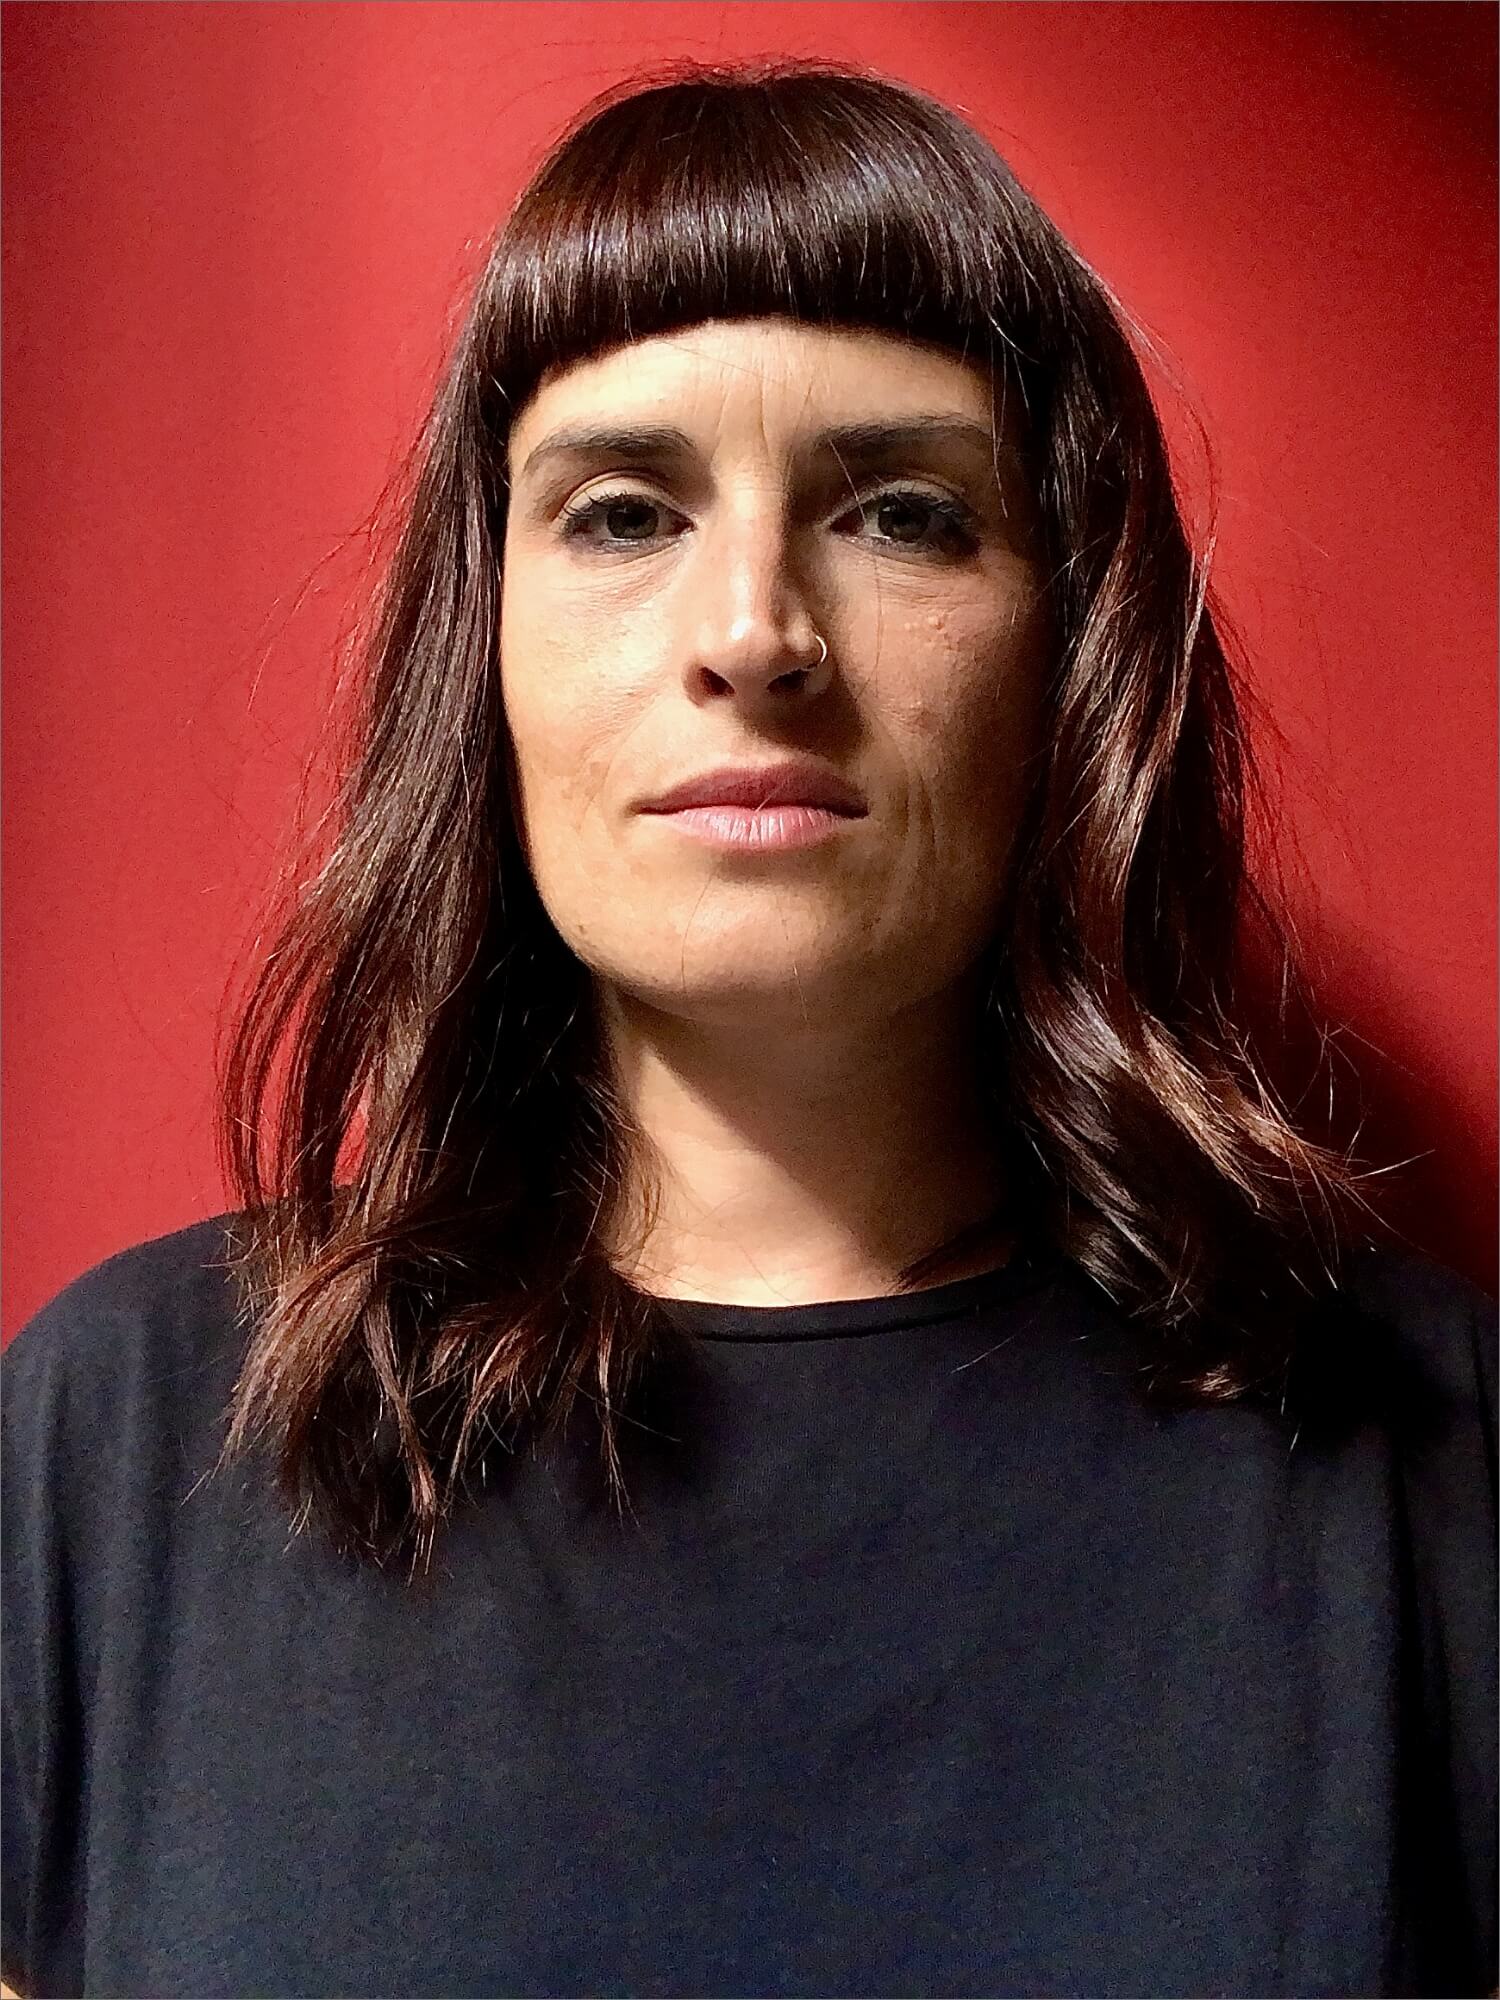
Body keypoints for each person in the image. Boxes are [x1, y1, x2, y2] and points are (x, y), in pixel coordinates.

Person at [2, 55, 1495, 2000]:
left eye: (902, 513)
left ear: (1070, 647)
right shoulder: (111, 1449)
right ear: (485, 649)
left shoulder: (1425, 1454)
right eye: (624, 513)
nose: (754, 633)